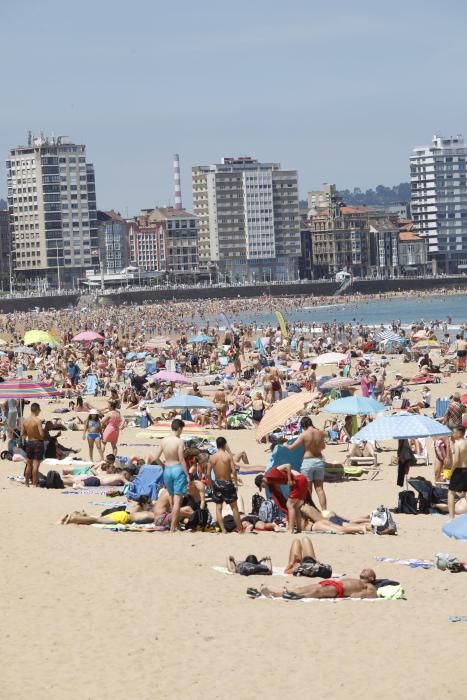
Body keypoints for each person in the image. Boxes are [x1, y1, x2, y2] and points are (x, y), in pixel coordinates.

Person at [152, 418, 189, 533]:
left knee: (172, 499)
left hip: (167, 469)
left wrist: (163, 466)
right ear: (179, 429)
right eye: (181, 429)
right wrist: (187, 474)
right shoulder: (180, 441)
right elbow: (182, 459)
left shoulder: (164, 440)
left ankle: (176, 524)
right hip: (177, 468)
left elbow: (155, 457)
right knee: (178, 500)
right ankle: (173, 527)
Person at [283, 416, 327, 510]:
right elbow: (323, 447)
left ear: (303, 426)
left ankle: (310, 511)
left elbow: (291, 448)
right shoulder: (320, 433)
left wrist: (285, 444)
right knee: (320, 489)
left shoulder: (304, 435)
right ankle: (324, 511)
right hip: (319, 461)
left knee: (307, 490)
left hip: (308, 463)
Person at [258, 569, 378, 600]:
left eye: (367, 570)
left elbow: (372, 594)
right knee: (305, 588)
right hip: (333, 583)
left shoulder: (369, 586)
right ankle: (275, 593)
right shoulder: (358, 580)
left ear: (371, 577)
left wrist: (359, 594)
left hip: (339, 589)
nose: (364, 570)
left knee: (316, 592)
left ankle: (299, 596)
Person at [255, 465, 308, 533]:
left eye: (262, 486)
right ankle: (299, 529)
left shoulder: (271, 473)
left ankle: (291, 529)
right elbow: (278, 493)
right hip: (301, 480)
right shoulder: (272, 481)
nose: (264, 487)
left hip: (298, 480)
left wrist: (289, 479)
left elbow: (288, 465)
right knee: (296, 507)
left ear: (263, 480)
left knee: (290, 505)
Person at [207, 436, 243, 534]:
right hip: (227, 483)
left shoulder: (212, 457)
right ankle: (240, 529)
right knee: (234, 507)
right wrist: (235, 482)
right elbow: (234, 471)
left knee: (218, 507)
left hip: (217, 483)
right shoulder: (228, 456)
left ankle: (223, 530)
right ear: (224, 445)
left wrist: (210, 484)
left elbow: (208, 473)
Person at [21, 402, 45, 487]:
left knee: (29, 464)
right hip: (37, 442)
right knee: (36, 465)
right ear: (37, 410)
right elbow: (41, 434)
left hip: (29, 442)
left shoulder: (25, 421)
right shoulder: (38, 421)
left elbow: (22, 434)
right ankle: (34, 484)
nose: (40, 411)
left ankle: (27, 483)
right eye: (39, 410)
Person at [448, 425, 467, 519]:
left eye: (454, 432)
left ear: (459, 433)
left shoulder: (457, 444)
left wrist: (451, 472)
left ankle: (451, 517)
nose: (452, 434)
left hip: (459, 470)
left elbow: (456, 461)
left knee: (451, 493)